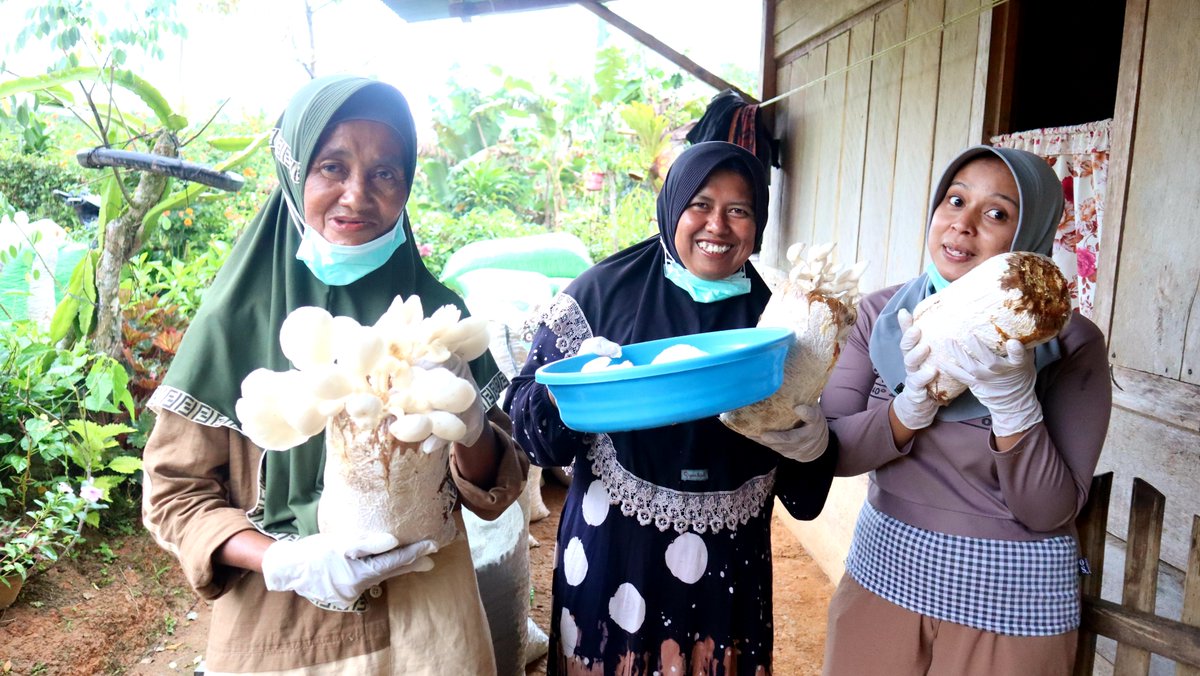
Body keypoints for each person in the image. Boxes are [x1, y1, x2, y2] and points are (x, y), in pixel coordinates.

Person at [141, 75, 528, 674]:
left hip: (432, 625)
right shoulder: (236, 320)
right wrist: (285, 561)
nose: (356, 194)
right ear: (296, 174)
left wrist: (472, 428)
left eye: (384, 173)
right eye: (332, 167)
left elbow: (494, 489)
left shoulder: (436, 313)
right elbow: (175, 494)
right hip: (289, 633)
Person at [505, 141, 839, 675]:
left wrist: (815, 443)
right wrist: (565, 387)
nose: (718, 226)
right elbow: (527, 432)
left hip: (728, 569)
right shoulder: (601, 295)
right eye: (700, 204)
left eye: (740, 210)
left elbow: (803, 493)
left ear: (759, 223)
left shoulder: (782, 317)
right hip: (615, 557)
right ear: (671, 206)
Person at [819, 145, 1112, 675]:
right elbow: (834, 452)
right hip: (886, 576)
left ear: (1032, 235)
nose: (963, 225)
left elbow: (1048, 511)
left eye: (996, 213)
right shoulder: (883, 317)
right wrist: (912, 406)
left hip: (1011, 608)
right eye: (954, 201)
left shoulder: (1071, 345)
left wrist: (1015, 405)